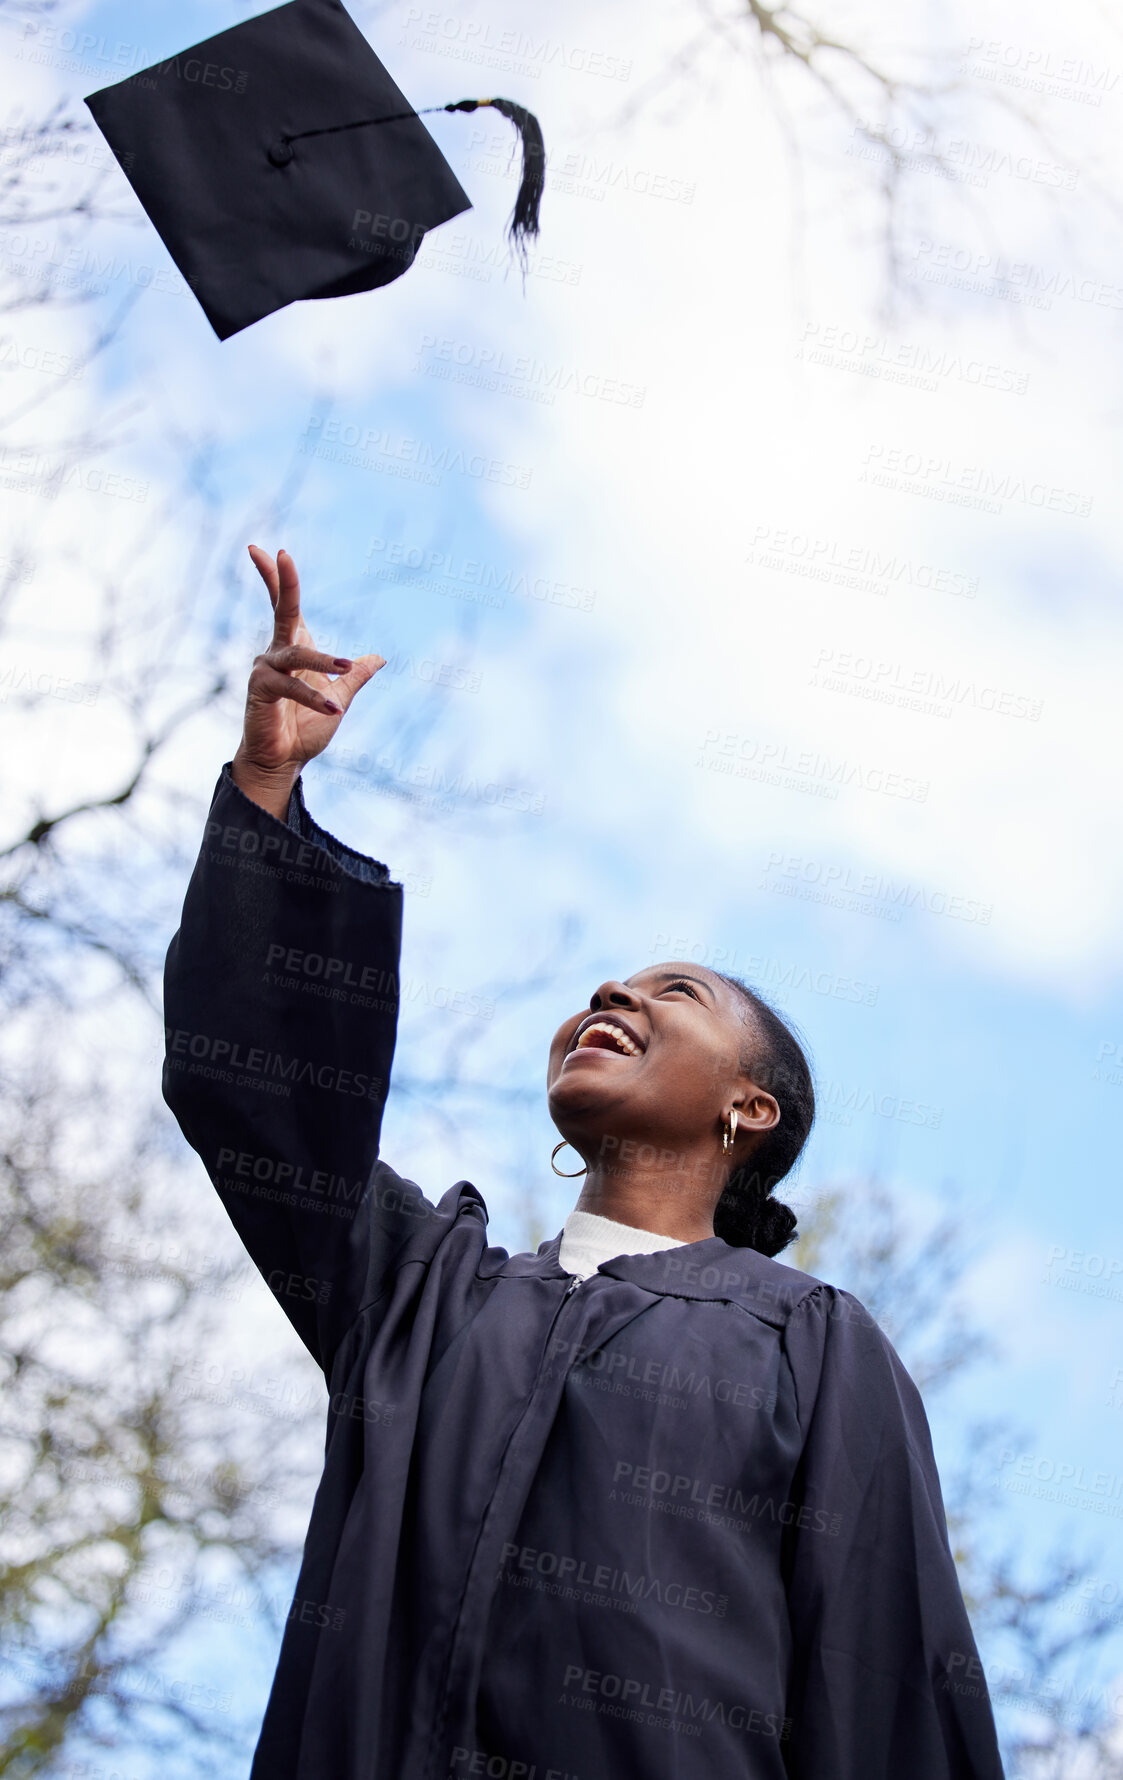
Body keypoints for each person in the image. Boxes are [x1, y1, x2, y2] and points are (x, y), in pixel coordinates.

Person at [163, 545, 1006, 1780]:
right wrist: (267, 790)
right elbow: (252, 1093)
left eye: (679, 990)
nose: (612, 988)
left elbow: (887, 1676)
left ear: (747, 1109)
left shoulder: (814, 1345)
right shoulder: (426, 1297)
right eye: (612, 981)